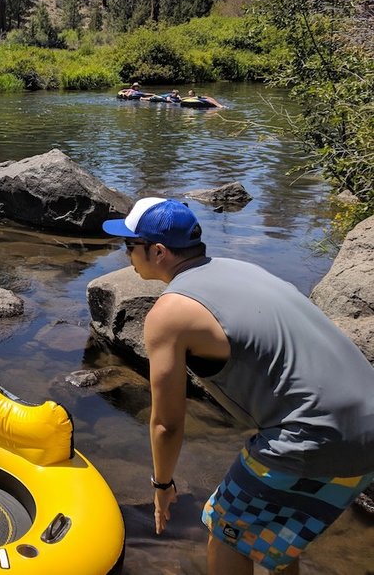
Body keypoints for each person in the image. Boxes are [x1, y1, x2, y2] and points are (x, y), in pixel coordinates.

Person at [101, 198, 374, 574]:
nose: (127, 255)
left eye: (130, 246)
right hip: (366, 424)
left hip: (310, 435)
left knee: (226, 528)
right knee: (274, 535)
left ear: (158, 251)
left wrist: (162, 485)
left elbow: (167, 423)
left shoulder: (170, 312)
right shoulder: (240, 268)